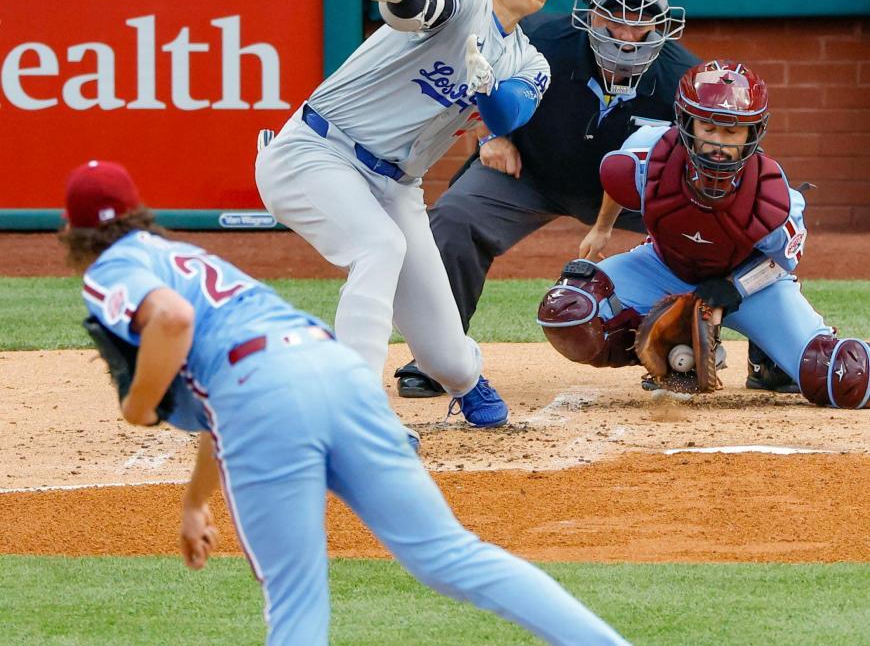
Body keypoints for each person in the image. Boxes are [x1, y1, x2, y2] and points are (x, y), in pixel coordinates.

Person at [63, 159, 634, 646]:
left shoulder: (111, 267)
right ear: (138, 212)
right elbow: (228, 396)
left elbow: (174, 320)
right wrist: (195, 504)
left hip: (259, 396)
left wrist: (138, 405)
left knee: (295, 598)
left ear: (72, 231)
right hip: (332, 370)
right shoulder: (186, 256)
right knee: (451, 557)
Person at [255, 0, 577, 429]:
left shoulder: (529, 59)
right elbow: (420, 7)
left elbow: (510, 114)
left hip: (396, 185)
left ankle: (467, 382)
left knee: (446, 352)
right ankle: (355, 413)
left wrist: (488, 87)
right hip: (316, 150)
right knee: (378, 247)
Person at [395, 0, 697, 398]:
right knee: (455, 218)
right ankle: (436, 356)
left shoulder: (679, 78)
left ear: (662, 21)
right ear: (592, 14)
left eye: (643, 20)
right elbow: (472, 66)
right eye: (616, 17)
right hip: (530, 170)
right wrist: (489, 137)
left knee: (708, 228)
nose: (629, 34)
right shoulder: (542, 39)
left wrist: (608, 227)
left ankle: (763, 354)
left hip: (629, 190)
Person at [538, 59, 870, 408]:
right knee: (570, 313)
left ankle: (769, 361)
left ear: (752, 134)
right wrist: (602, 229)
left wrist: (733, 289)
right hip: (662, 267)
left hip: (745, 283)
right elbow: (620, 182)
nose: (717, 144)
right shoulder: (650, 152)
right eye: (708, 127)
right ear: (685, 121)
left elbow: (781, 263)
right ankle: (670, 352)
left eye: (732, 132)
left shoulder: (774, 197)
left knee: (845, 378)